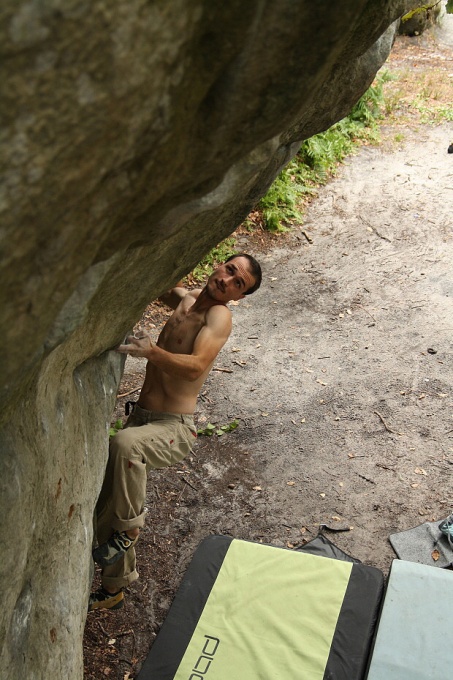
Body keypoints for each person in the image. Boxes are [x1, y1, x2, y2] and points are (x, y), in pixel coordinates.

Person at [89, 253, 262, 611]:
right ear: (219, 264)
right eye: (230, 270)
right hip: (143, 419)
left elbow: (195, 366)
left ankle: (130, 529)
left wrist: (151, 351)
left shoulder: (219, 316)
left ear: (239, 297)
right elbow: (157, 285)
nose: (228, 281)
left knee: (124, 445)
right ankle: (114, 589)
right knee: (107, 505)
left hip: (173, 428)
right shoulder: (184, 300)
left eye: (238, 283)